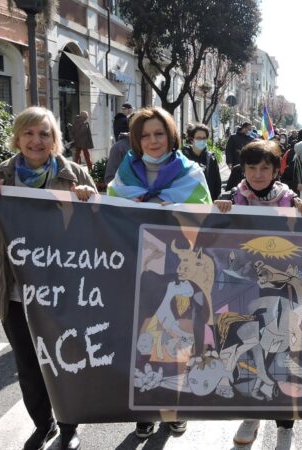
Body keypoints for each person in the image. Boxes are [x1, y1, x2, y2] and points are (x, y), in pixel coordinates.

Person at [0, 106, 96, 450]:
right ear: (18, 137)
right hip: (14, 292)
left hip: (63, 293)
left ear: (54, 140)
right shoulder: (0, 175)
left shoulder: (75, 174)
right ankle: (44, 424)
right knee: (28, 365)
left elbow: (98, 233)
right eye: (29, 133)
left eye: (44, 134)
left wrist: (90, 203)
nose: (36, 141)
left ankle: (69, 428)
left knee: (67, 362)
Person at [107, 107, 212, 439]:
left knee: (176, 337)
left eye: (159, 133)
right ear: (136, 140)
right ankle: (145, 410)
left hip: (179, 272)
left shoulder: (191, 174)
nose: (152, 141)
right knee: (142, 337)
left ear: (171, 136)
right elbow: (108, 216)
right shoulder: (125, 175)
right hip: (137, 270)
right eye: (145, 135)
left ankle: (173, 409)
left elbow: (207, 223)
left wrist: (177, 215)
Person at [215, 140, 302, 450]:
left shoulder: (290, 200)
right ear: (242, 169)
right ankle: (253, 414)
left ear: (275, 170)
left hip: (284, 286)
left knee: (283, 349)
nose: (258, 174)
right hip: (246, 286)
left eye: (265, 168)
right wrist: (218, 210)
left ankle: (286, 423)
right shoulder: (233, 199)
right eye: (252, 168)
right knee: (248, 347)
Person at [182, 123, 222, 201]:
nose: (202, 141)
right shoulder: (183, 157)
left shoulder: (211, 158)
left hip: (206, 203)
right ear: (191, 139)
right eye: (199, 138)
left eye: (204, 138)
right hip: (186, 202)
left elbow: (217, 183)